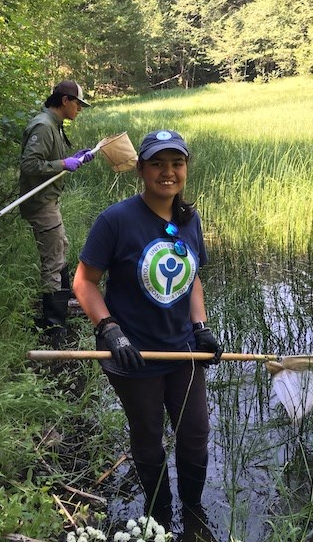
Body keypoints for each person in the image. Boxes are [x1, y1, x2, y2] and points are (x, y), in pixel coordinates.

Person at [72, 130, 222, 519]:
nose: (167, 172)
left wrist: (201, 326)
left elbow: (192, 279)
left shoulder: (190, 219)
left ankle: (192, 511)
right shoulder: (116, 220)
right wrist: (110, 329)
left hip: (183, 349)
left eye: (176, 163)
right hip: (134, 353)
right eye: (157, 163)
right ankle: (159, 514)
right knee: (148, 437)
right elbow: (84, 282)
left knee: (195, 434)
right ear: (141, 169)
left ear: (186, 168)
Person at [19, 80, 94, 345]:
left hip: (49, 200)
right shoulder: (43, 125)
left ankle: (62, 305)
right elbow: (30, 164)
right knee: (53, 260)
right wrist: (64, 163)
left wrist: (76, 158)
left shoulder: (54, 125)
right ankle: (54, 327)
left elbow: (49, 161)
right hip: (40, 204)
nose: (79, 110)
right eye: (78, 104)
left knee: (61, 246)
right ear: (65, 101)